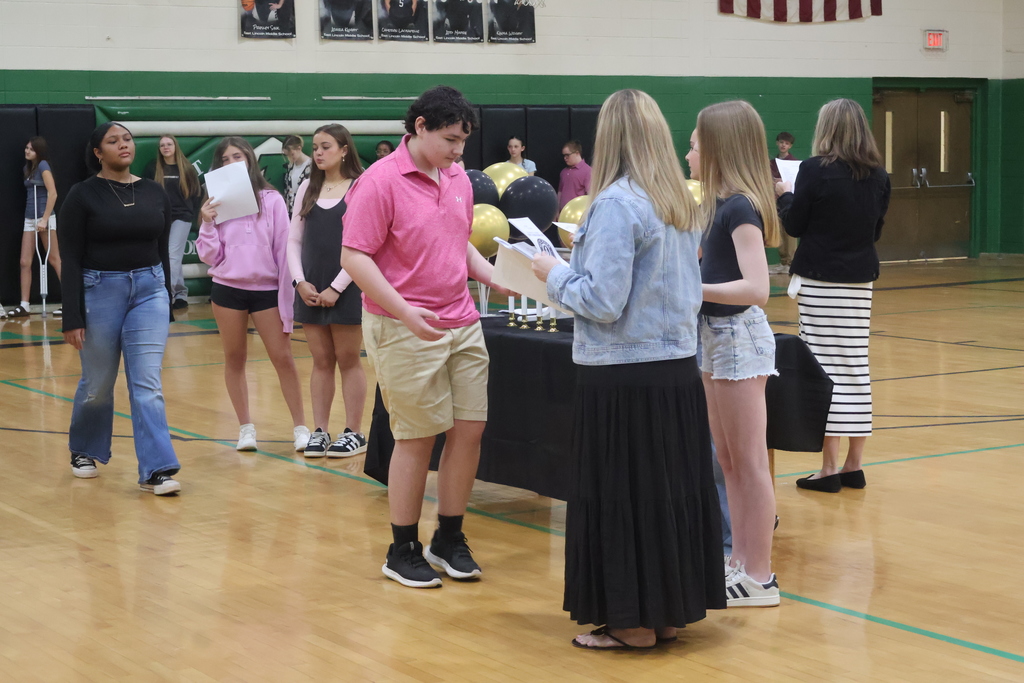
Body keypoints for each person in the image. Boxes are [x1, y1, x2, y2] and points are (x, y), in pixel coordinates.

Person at [530, 89, 725, 650]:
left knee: (621, 494)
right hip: (675, 373)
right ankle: (663, 612)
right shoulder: (679, 203)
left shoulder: (615, 203)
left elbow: (604, 300)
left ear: (609, 137)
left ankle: (630, 621)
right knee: (664, 492)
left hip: (621, 376)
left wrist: (551, 271)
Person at [342, 85, 509, 589]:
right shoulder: (380, 182)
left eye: (463, 140)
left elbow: (458, 245)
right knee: (416, 436)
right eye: (450, 139)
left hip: (461, 322)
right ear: (419, 128)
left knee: (469, 431)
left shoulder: (457, 177)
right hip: (402, 325)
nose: (459, 151)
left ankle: (449, 538)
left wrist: (492, 274)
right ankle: (402, 547)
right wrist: (405, 312)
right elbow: (354, 257)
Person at [686, 100, 781, 608]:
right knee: (727, 460)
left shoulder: (741, 206)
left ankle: (759, 575)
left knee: (748, 462)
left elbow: (757, 288)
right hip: (713, 338)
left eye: (697, 144)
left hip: (739, 337)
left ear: (719, 148)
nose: (689, 152)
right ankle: (739, 563)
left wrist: (694, 287)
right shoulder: (716, 206)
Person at [57, 122, 181, 494]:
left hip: (149, 291)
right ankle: (84, 449)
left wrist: (168, 300)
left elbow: (163, 251)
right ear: (98, 152)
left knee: (147, 385)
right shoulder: (81, 195)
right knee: (98, 385)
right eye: (113, 141)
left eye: (126, 139)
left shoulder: (154, 192)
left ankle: (157, 469)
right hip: (99, 291)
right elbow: (71, 259)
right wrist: (72, 315)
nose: (123, 145)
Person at [776, 99, 891, 493]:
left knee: (824, 369)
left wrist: (783, 194)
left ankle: (828, 469)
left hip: (822, 281)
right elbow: (875, 231)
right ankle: (854, 465)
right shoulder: (878, 174)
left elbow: (795, 224)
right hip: (861, 281)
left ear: (827, 128)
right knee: (855, 366)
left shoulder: (813, 170)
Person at [196, 137, 309, 453]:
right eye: (226, 158)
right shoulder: (215, 204)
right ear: (219, 166)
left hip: (267, 291)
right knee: (234, 358)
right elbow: (210, 256)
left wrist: (288, 297)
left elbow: (283, 249)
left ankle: (300, 428)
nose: (233, 162)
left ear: (250, 160)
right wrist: (206, 222)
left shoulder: (271, 199)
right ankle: (245, 428)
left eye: (239, 156)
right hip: (227, 289)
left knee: (283, 358)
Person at [287, 124, 369, 458]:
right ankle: (320, 430)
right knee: (321, 360)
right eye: (315, 147)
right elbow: (293, 240)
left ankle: (354, 432)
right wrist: (299, 282)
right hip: (309, 286)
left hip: (347, 286)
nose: (318, 153)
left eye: (325, 147)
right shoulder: (307, 186)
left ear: (344, 149)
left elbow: (365, 245)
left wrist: (336, 287)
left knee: (348, 360)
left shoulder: (361, 186)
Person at [146, 135, 201, 311]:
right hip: (160, 217)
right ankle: (180, 294)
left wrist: (193, 214)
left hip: (181, 217)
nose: (166, 147)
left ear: (175, 146)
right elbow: (145, 192)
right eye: (162, 145)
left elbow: (196, 193)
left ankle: (167, 295)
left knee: (172, 256)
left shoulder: (187, 168)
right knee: (166, 256)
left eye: (169, 144)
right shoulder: (153, 168)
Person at [11, 137, 63, 318]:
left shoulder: (43, 166)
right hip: (29, 218)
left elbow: (53, 193)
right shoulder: (27, 168)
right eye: (26, 148)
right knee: (24, 261)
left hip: (44, 217)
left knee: (54, 259)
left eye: (31, 149)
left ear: (39, 151)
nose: (27, 151)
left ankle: (71, 302)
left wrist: (45, 219)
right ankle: (24, 305)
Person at [770, 132, 799, 271]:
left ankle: (791, 261)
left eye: (786, 143)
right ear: (777, 143)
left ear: (790, 146)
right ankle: (783, 262)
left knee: (790, 231)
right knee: (779, 231)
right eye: (781, 142)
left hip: (788, 199)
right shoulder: (771, 163)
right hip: (775, 201)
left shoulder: (794, 163)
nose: (783, 145)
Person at [282, 135, 311, 217]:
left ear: (299, 148)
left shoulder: (312, 166)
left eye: (292, 154)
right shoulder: (290, 167)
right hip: (291, 211)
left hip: (306, 210)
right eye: (287, 155)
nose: (290, 157)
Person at [557, 140, 591, 210]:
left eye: (567, 155)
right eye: (564, 155)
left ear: (577, 153)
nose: (565, 158)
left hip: (578, 213)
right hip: (563, 213)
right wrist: (556, 210)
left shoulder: (588, 171)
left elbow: (590, 195)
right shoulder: (563, 172)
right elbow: (560, 192)